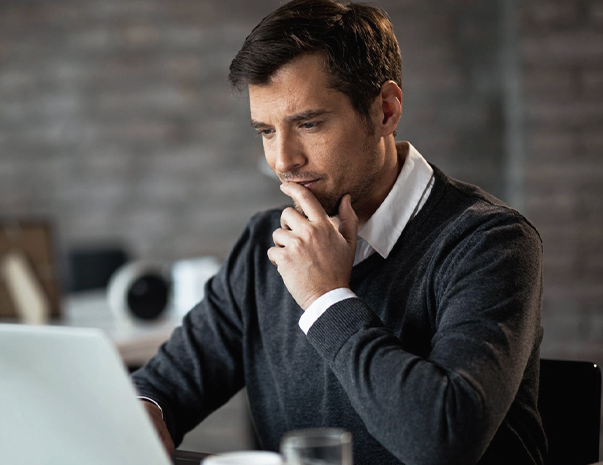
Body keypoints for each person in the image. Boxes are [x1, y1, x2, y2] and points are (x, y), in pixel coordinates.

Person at [130, 1, 547, 464]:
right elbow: (164, 384)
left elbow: (442, 441)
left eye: (308, 124)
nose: (283, 161)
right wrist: (142, 409)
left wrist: (326, 298)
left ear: (386, 110)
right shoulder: (263, 245)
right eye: (266, 131)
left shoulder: (491, 243)